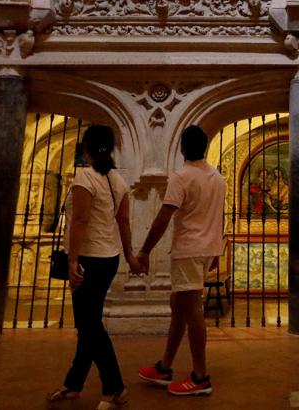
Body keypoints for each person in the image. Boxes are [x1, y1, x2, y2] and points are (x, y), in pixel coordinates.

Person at [48, 125, 139, 407]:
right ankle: (74, 383)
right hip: (109, 257)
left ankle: (114, 386)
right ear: (110, 149)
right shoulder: (118, 181)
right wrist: (130, 255)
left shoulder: (85, 178)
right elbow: (123, 222)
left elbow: (80, 221)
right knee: (88, 324)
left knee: (89, 324)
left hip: (88, 258)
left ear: (86, 148)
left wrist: (73, 260)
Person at [135, 126, 225, 397]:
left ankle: (200, 375)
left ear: (183, 148)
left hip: (188, 249)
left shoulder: (182, 177)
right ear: (205, 148)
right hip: (206, 248)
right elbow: (219, 217)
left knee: (192, 309)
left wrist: (144, 251)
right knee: (179, 305)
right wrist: (216, 251)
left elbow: (163, 217)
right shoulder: (217, 177)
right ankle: (165, 366)